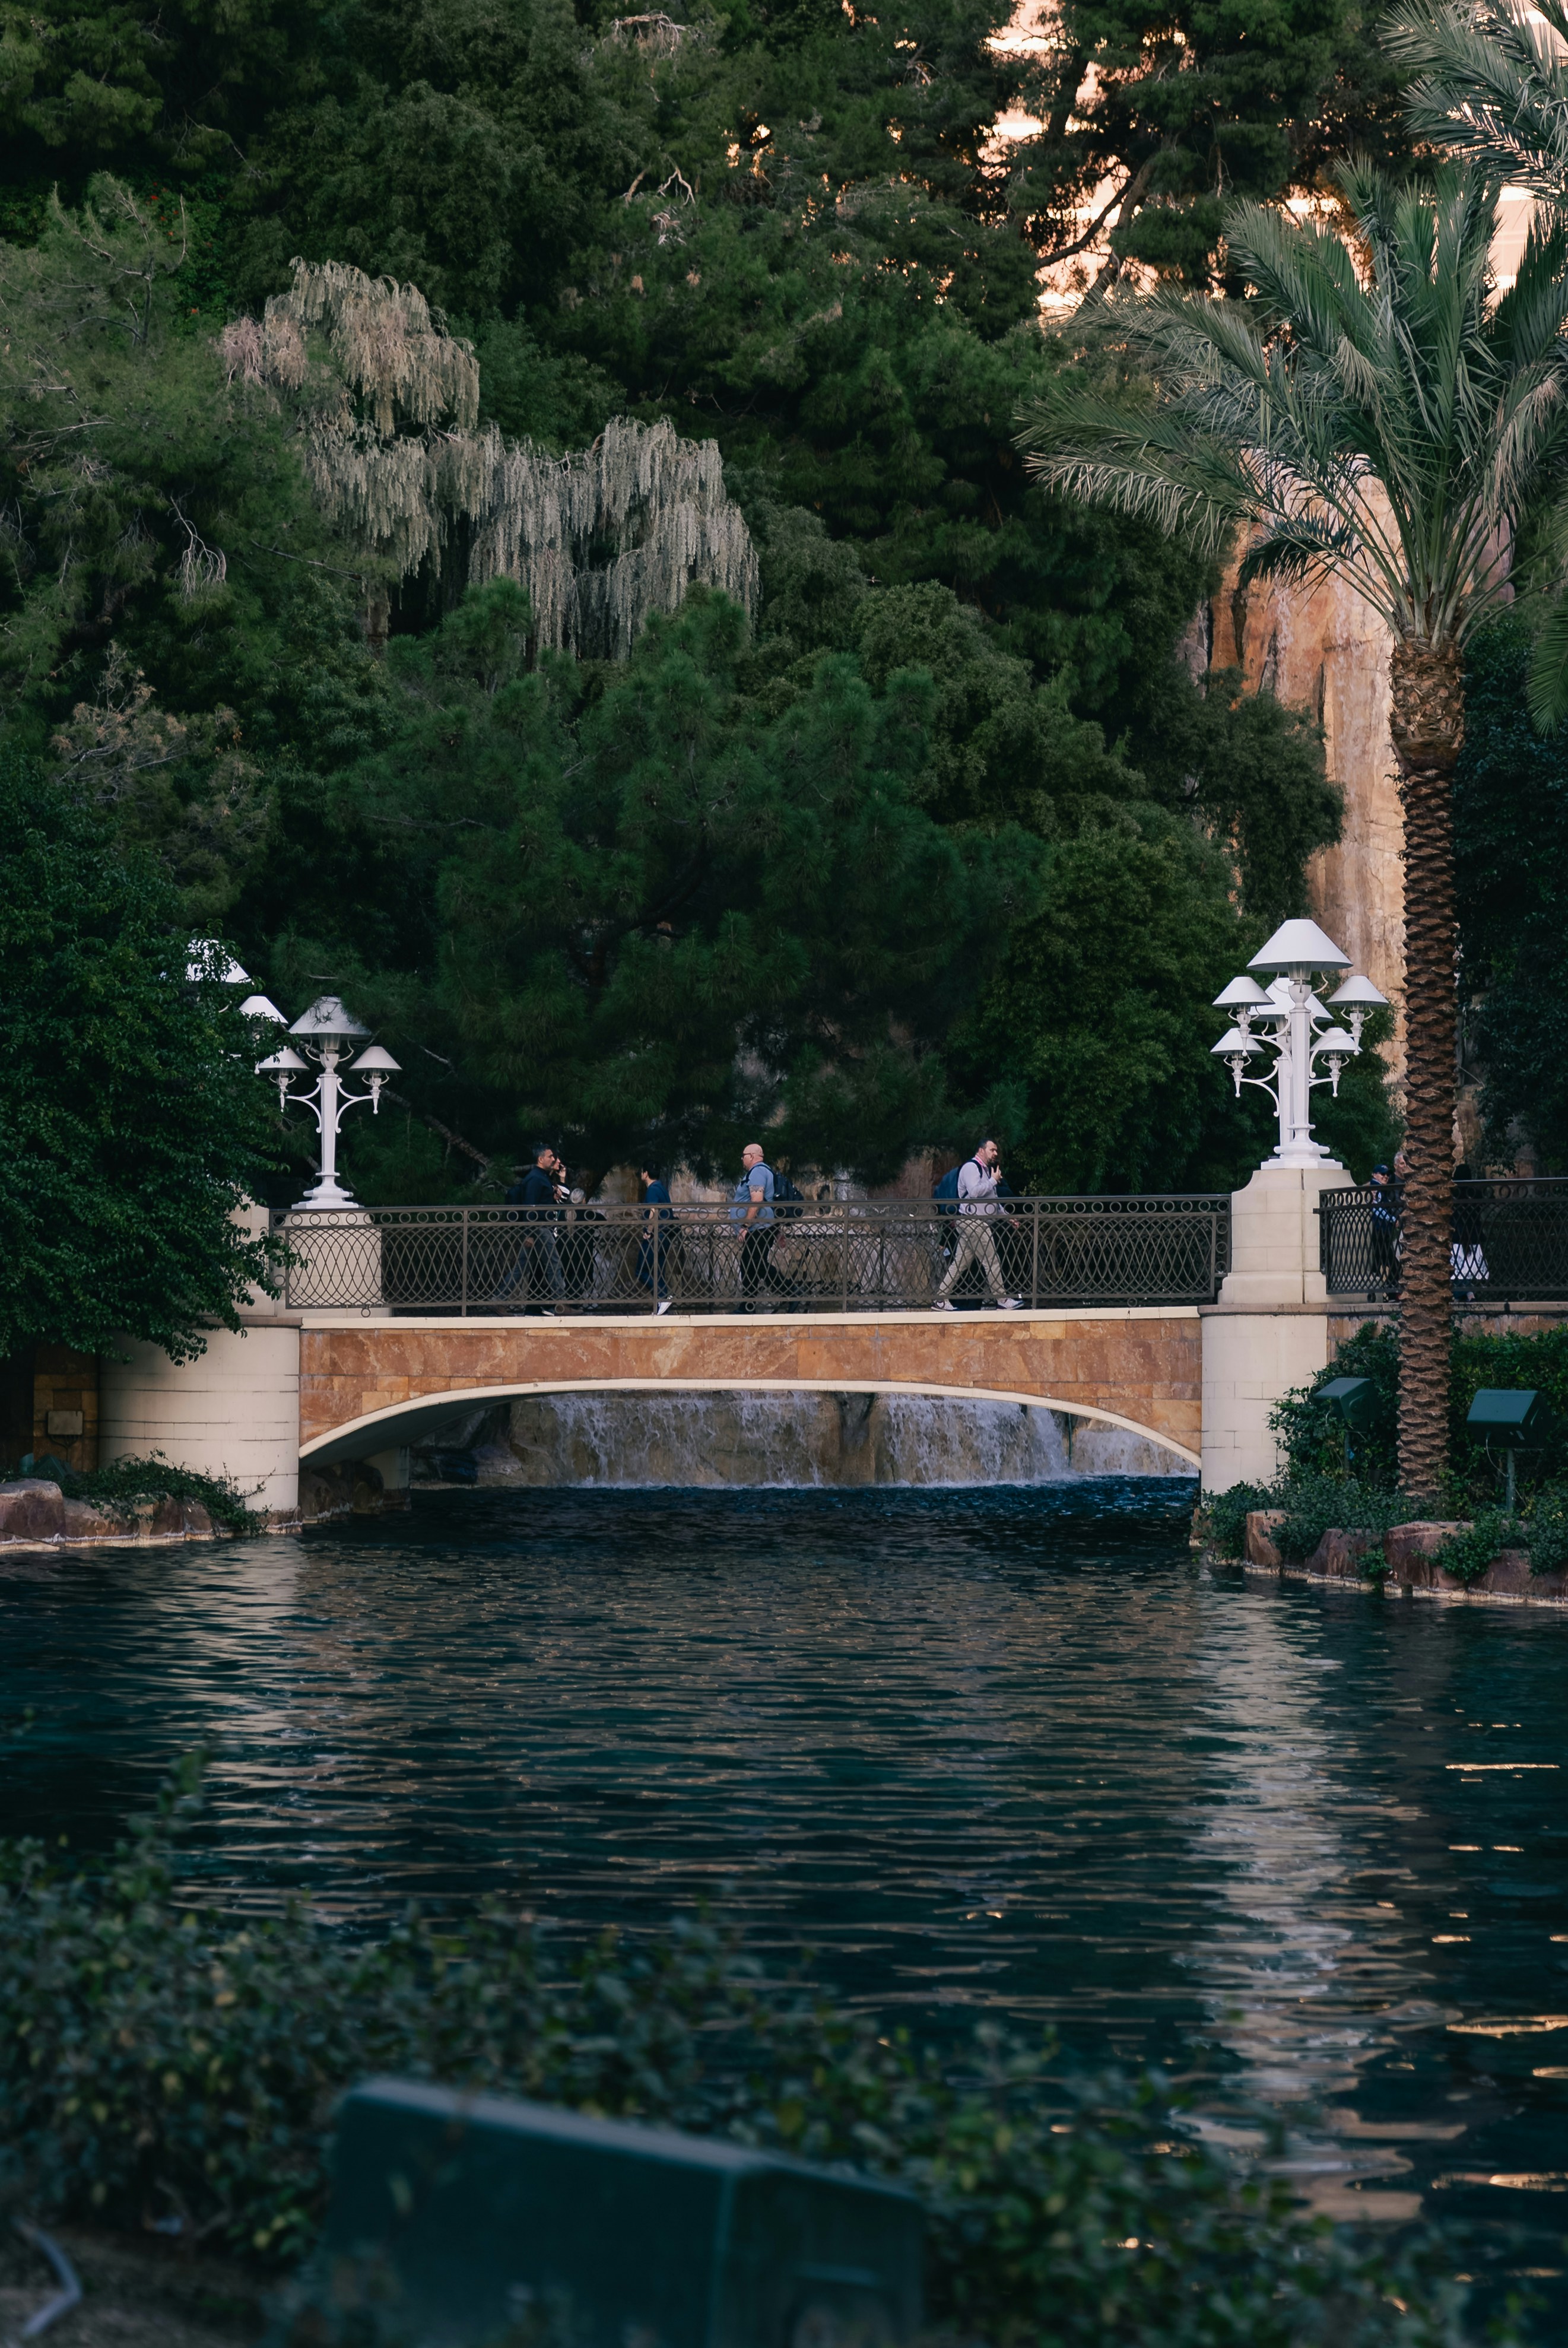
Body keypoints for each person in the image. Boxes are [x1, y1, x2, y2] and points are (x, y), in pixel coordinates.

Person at [932, 1140, 1022, 1310]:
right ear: (981, 1150)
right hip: (973, 1222)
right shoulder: (971, 1168)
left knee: (960, 1264)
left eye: (996, 1150)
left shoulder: (986, 1171)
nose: (995, 1153)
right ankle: (1002, 1301)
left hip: (974, 1223)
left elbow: (992, 1202)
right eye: (992, 1150)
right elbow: (974, 1192)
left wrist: (1007, 1217)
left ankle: (940, 1299)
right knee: (992, 1260)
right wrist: (994, 1181)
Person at [497, 1144, 567, 1310]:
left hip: (538, 1230)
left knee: (521, 1268)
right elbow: (531, 1207)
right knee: (554, 1264)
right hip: (539, 1230)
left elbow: (539, 1202)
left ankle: (498, 1301)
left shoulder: (541, 1177)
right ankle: (562, 1305)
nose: (554, 1159)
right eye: (550, 1156)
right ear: (541, 1159)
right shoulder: (536, 1178)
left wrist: (552, 1194)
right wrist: (530, 1234)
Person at [731, 1141, 776, 1309]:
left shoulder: (757, 1172)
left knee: (755, 1264)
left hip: (759, 1228)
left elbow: (756, 1200)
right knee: (751, 1263)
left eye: (743, 1156)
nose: (742, 1160)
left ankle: (791, 1291)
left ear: (751, 1156)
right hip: (762, 1227)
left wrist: (745, 1226)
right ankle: (748, 1305)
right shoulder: (762, 1171)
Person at [636, 1165, 676, 1313]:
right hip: (665, 1235)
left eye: (641, 1172)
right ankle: (664, 1307)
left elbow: (653, 1212)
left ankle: (663, 1297)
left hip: (656, 1236)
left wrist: (648, 1231)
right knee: (657, 1272)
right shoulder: (661, 1188)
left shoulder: (652, 1189)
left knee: (641, 1271)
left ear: (645, 1173)